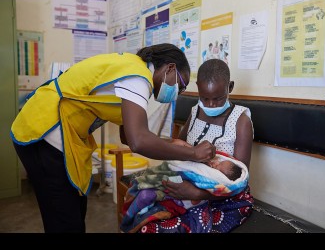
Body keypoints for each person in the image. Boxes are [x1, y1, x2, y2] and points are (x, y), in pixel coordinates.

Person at [10, 43, 216, 233]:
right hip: (44, 131)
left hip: (54, 132)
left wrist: (172, 143)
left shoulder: (132, 69)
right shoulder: (138, 77)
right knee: (64, 218)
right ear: (170, 68)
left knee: (72, 210)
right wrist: (193, 152)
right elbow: (138, 141)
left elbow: (128, 135)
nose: (177, 93)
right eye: (180, 85)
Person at [140, 58, 254, 233]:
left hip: (222, 199)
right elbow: (179, 148)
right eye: (204, 97)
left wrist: (197, 194)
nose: (210, 104)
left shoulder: (241, 121)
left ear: (229, 88)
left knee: (158, 228)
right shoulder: (195, 111)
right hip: (186, 185)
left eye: (217, 98)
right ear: (198, 88)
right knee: (144, 207)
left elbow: (239, 179)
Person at [120, 152, 248, 233]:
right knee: (145, 191)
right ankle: (131, 216)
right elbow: (177, 154)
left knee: (148, 227)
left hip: (207, 199)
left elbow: (234, 184)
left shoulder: (241, 122)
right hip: (177, 179)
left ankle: (134, 221)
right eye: (218, 163)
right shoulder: (194, 114)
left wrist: (196, 193)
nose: (215, 165)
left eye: (218, 167)